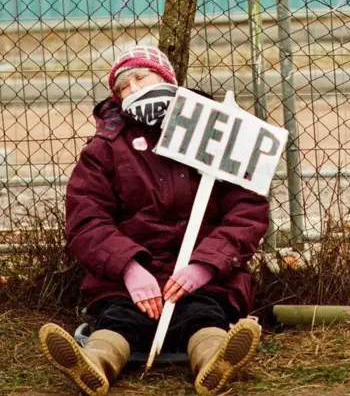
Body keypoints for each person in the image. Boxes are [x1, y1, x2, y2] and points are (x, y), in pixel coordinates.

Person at [38, 45, 270, 396]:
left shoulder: (218, 133)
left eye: (140, 78)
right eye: (123, 87)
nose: (132, 89)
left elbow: (247, 210)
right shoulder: (105, 148)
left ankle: (213, 362)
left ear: (166, 78)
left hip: (202, 275)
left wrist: (204, 266)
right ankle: (94, 363)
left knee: (204, 314)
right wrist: (129, 269)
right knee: (120, 318)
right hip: (129, 280)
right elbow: (86, 218)